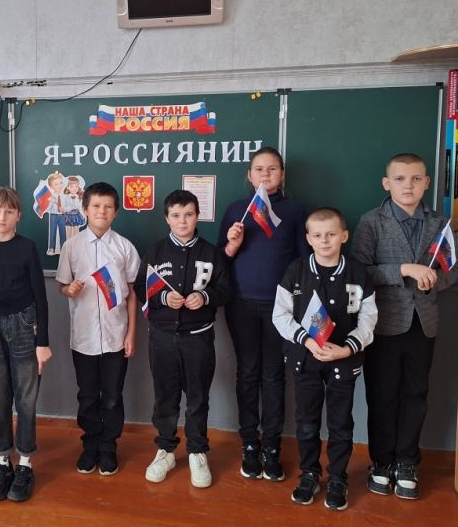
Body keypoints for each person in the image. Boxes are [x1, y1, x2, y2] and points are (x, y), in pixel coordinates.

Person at [352, 153, 458, 500]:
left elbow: (452, 270)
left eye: (415, 179)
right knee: (382, 395)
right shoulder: (372, 222)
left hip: (423, 323)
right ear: (387, 183)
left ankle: (407, 462)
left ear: (427, 182)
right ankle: (382, 462)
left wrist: (435, 281)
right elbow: (361, 272)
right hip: (383, 324)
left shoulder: (441, 223)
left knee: (416, 394)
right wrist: (404, 270)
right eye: (400, 179)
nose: (408, 185)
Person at [273, 207, 377, 511]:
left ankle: (337, 478)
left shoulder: (358, 273)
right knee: (306, 422)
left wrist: (347, 349)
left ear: (344, 236)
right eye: (317, 235)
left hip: (343, 360)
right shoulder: (296, 270)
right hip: (305, 359)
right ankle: (309, 473)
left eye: (331, 234)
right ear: (308, 239)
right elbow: (280, 314)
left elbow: (369, 317)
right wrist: (306, 340)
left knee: (340, 423)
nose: (325, 241)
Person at [217, 146, 309, 481]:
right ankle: (249, 444)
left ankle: (271, 446)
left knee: (273, 376)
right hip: (241, 305)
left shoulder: (295, 211)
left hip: (280, 309)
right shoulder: (236, 210)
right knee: (247, 373)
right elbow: (219, 261)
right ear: (249, 175)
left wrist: (297, 303)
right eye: (259, 169)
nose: (265, 174)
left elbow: (303, 260)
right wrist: (231, 244)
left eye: (272, 169)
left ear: (282, 174)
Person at [135, 190, 231, 488]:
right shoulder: (155, 252)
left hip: (198, 339)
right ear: (167, 218)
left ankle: (197, 451)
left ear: (197, 216)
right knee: (165, 397)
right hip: (162, 338)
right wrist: (163, 297)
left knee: (198, 397)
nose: (182, 221)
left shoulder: (211, 253)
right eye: (176, 215)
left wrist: (205, 297)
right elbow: (140, 288)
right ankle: (165, 449)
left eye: (188, 214)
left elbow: (226, 290)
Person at [0, 186, 52, 503]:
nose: (2, 217)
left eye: (8, 211)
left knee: (26, 399)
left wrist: (42, 342)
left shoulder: (27, 248)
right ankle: (2, 462)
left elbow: (41, 297)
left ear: (18, 215)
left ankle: (26, 463)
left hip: (24, 325)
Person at [55, 181, 140, 476]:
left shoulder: (124, 247)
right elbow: (63, 286)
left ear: (115, 212)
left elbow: (132, 294)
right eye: (96, 206)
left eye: (108, 207)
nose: (102, 211)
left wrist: (131, 333)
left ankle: (108, 446)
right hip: (83, 338)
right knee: (88, 395)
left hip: (116, 336)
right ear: (85, 210)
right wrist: (69, 290)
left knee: (113, 395)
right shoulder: (72, 246)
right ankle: (90, 444)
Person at [46, 171, 66, 255]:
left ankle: (63, 248)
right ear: (51, 186)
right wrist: (51, 202)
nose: (59, 186)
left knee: (63, 231)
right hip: (53, 216)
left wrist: (64, 209)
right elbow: (47, 209)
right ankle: (51, 248)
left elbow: (67, 205)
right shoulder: (50, 197)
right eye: (56, 184)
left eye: (61, 183)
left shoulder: (65, 196)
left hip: (62, 216)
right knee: (53, 231)